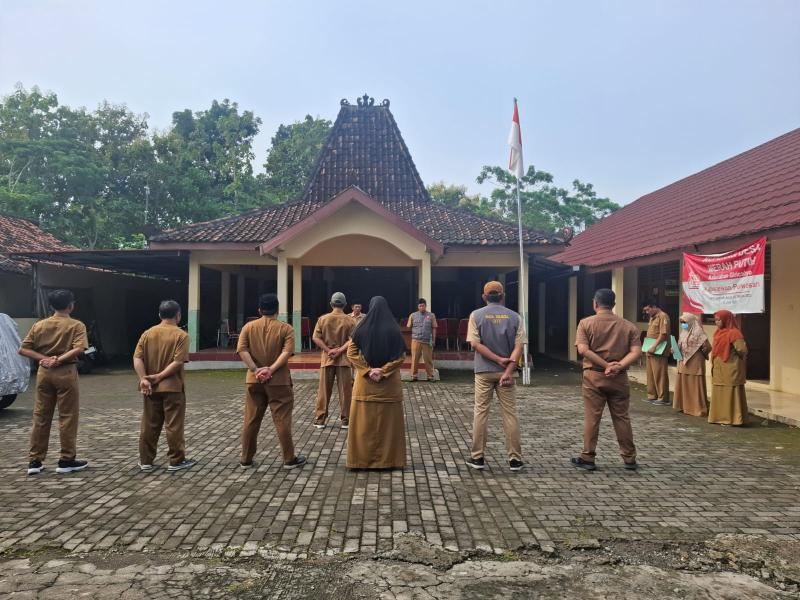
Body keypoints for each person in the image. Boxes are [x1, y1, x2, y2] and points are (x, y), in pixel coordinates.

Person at [19, 289, 89, 475]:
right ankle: (66, 460)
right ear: (71, 306)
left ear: (51, 306)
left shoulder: (39, 325)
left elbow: (23, 349)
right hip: (66, 372)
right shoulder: (76, 325)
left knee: (41, 416)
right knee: (67, 416)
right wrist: (58, 360)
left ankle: (35, 461)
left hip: (44, 372)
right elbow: (79, 349)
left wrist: (44, 359)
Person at [572, 289, 642, 471]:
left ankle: (588, 457)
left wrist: (605, 365)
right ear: (614, 304)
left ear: (595, 303)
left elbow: (583, 350)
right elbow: (636, 351)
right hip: (619, 378)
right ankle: (629, 458)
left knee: (592, 417)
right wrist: (618, 366)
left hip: (594, 376)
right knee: (622, 417)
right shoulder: (629, 326)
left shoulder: (586, 323)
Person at [236, 293, 306, 468]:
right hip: (279, 381)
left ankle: (246, 458)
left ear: (259, 310)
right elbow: (286, 352)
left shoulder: (248, 327)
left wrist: (255, 370)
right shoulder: (286, 329)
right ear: (278, 310)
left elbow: (242, 350)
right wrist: (271, 369)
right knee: (282, 420)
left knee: (251, 420)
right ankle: (289, 458)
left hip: (254, 380)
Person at [465, 281, 525, 472]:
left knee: (481, 412)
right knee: (510, 414)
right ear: (503, 296)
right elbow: (519, 347)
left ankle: (477, 457)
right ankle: (515, 459)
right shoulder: (515, 317)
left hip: (483, 371)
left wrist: (497, 359)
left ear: (484, 297)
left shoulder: (476, 315)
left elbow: (475, 344)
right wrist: (507, 371)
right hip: (507, 373)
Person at [132, 300, 195, 472]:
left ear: (159, 315)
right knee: (173, 425)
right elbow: (178, 362)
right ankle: (176, 460)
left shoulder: (147, 334)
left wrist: (143, 379)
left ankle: (146, 460)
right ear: (178, 315)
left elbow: (137, 358)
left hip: (150, 388)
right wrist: (159, 376)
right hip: (173, 387)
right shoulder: (181, 335)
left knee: (149, 424)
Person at [346, 296, 407, 469]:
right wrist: (384, 371)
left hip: (365, 385)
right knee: (389, 427)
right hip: (389, 386)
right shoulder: (394, 329)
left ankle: (359, 461)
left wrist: (367, 370)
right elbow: (401, 356)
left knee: (363, 426)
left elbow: (351, 353)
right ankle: (390, 461)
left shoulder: (361, 328)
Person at [312, 292, 356, 429]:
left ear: (331, 304)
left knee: (324, 391)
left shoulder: (322, 319)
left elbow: (316, 338)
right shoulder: (350, 320)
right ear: (345, 305)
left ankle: (320, 420)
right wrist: (340, 350)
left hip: (327, 359)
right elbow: (353, 340)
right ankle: (346, 420)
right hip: (344, 360)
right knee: (345, 391)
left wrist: (328, 350)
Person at [708, 310, 748, 426]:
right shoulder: (718, 332)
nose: (717, 322)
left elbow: (742, 349)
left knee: (730, 392)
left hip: (731, 368)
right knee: (719, 392)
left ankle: (732, 419)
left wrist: (734, 356)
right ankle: (718, 417)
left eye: (719, 320)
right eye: (715, 320)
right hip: (719, 369)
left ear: (726, 319)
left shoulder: (734, 333)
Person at [673, 312, 711, 417]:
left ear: (691, 322)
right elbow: (680, 345)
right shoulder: (683, 332)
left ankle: (697, 408)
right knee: (684, 383)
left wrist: (702, 350)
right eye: (681, 322)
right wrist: (675, 349)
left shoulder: (699, 333)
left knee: (694, 385)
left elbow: (708, 347)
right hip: (683, 362)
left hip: (695, 362)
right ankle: (685, 406)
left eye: (684, 322)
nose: (683, 324)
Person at [642, 298, 671, 405]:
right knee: (650, 374)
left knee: (660, 374)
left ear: (654, 307)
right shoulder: (652, 317)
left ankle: (663, 398)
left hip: (659, 350)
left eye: (648, 309)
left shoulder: (663, 316)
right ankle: (652, 395)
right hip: (650, 349)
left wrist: (654, 346)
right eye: (645, 310)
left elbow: (663, 334)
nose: (646, 312)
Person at [407, 298, 437, 382]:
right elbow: (409, 327)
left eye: (423, 306)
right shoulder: (413, 315)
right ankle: (414, 376)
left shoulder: (431, 315)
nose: (421, 307)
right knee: (415, 359)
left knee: (428, 359)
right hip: (416, 340)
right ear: (417, 306)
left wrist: (433, 340)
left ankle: (430, 376)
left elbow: (434, 328)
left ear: (425, 306)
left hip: (427, 341)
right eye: (420, 306)